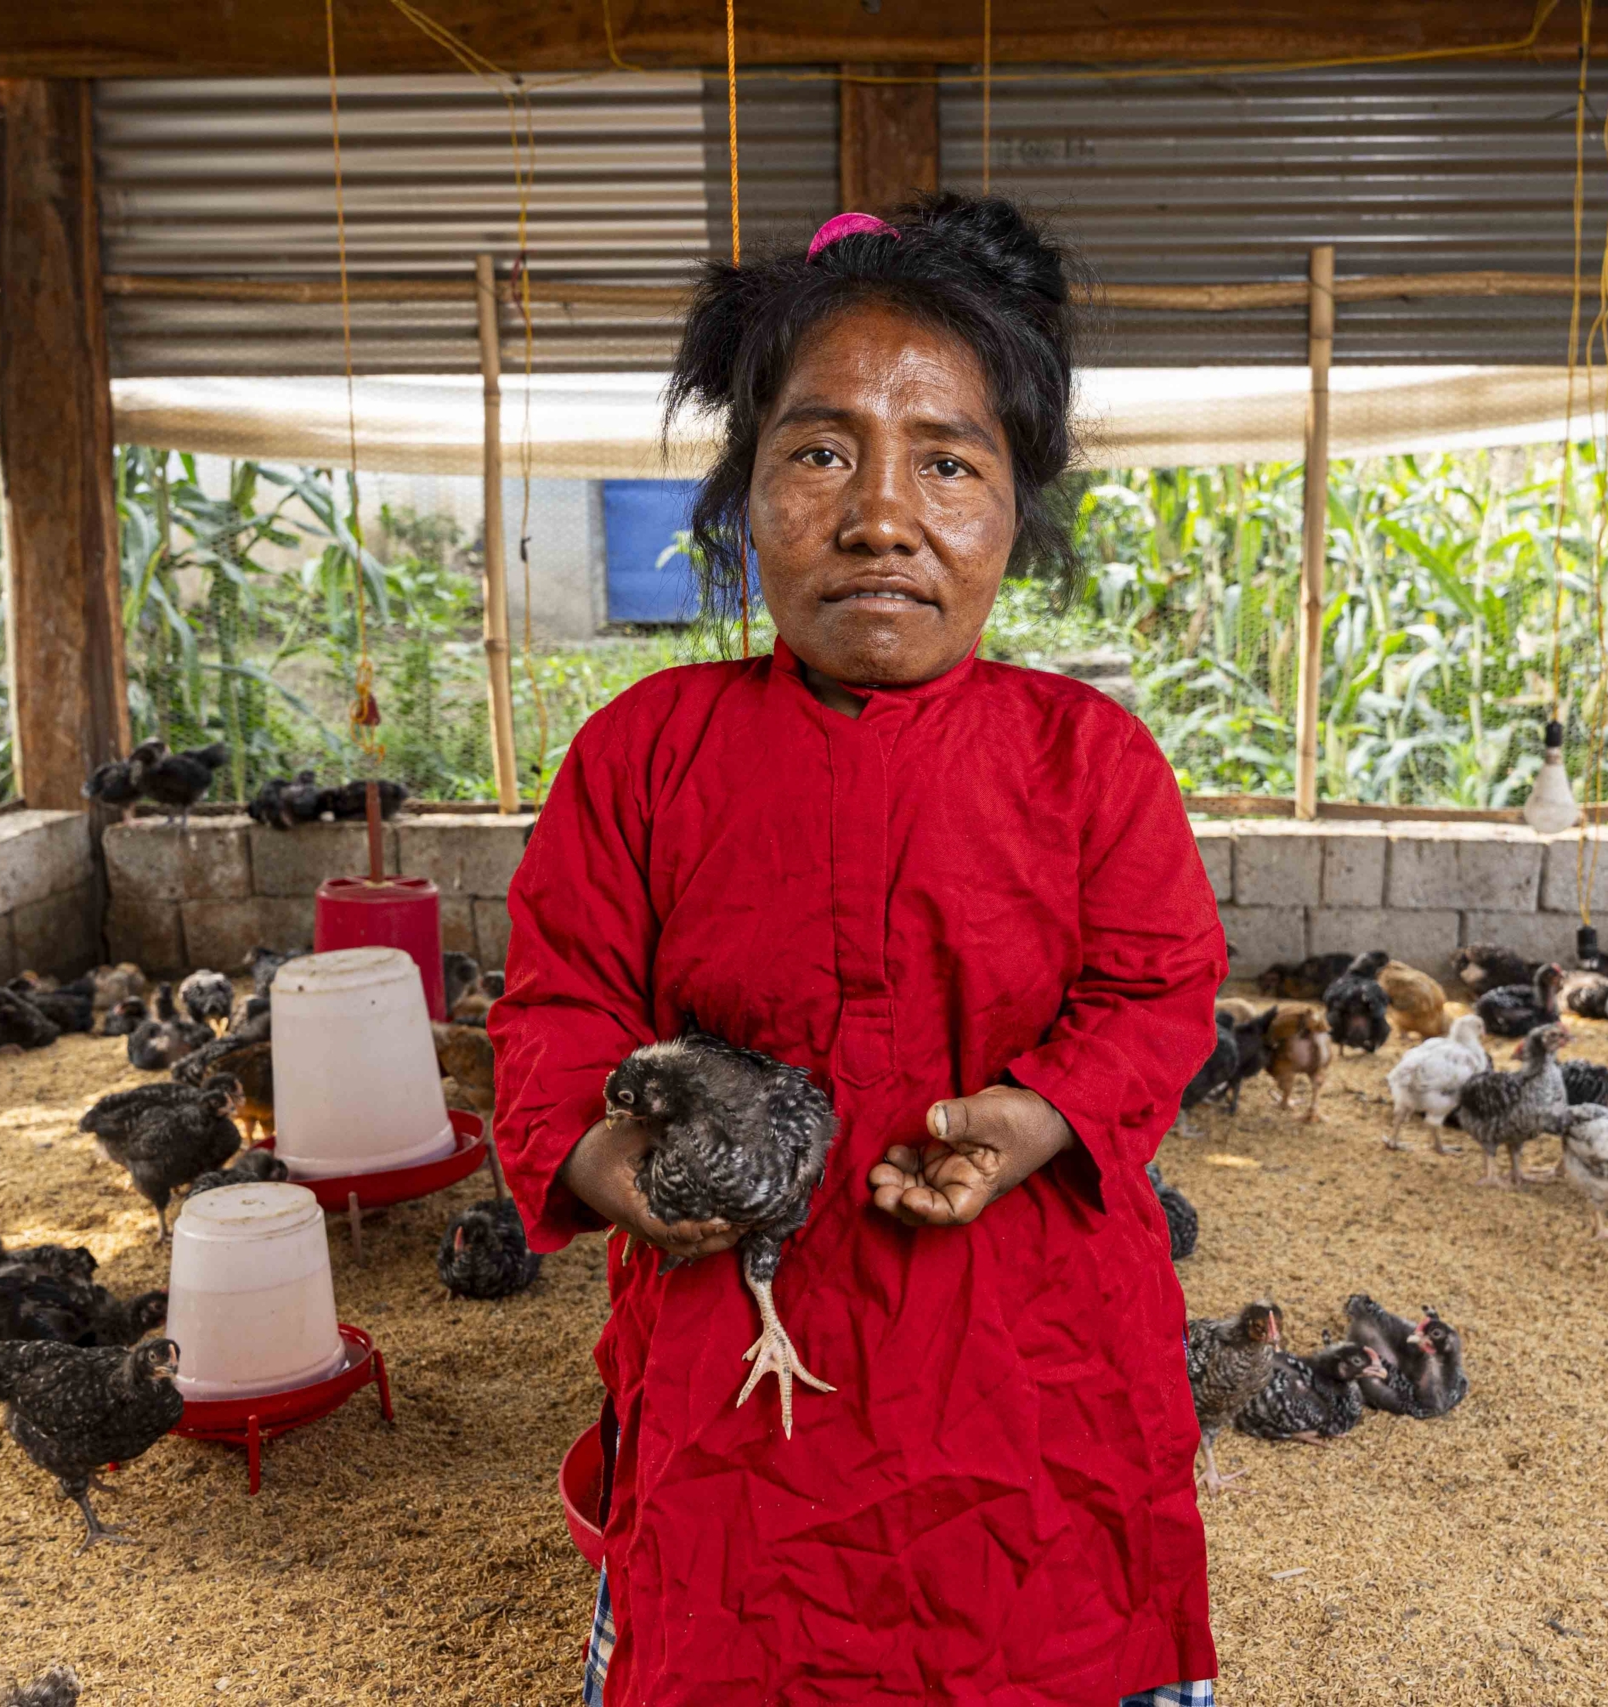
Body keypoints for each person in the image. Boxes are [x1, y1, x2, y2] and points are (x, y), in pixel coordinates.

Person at [491, 194, 1225, 1707]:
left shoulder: (1089, 761)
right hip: (740, 1368)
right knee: (745, 1647)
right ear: (742, 498)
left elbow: (1157, 990)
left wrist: (1038, 1118)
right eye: (820, 452)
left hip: (1031, 1367)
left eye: (948, 461)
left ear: (1015, 509)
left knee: (1044, 1644)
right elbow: (559, 1004)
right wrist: (598, 1164)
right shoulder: (643, 757)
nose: (881, 513)